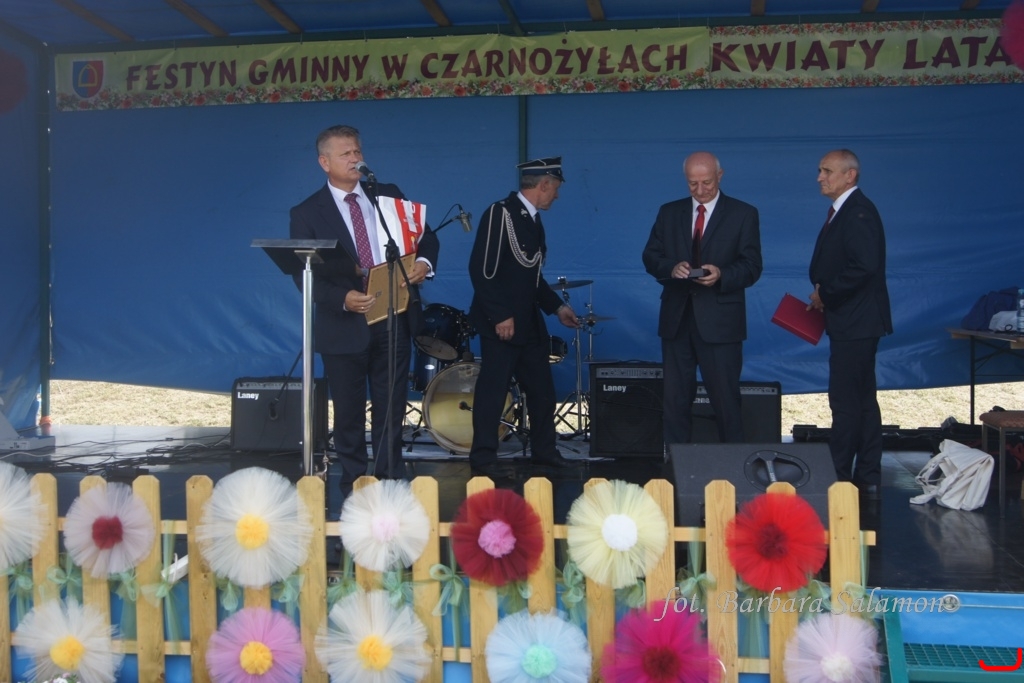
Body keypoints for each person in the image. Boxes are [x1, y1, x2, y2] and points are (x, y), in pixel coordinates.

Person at [289, 124, 440, 501]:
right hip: (344, 323)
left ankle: (389, 484)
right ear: (324, 162)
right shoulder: (307, 213)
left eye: (357, 151)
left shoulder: (387, 194)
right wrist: (342, 298)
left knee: (391, 408)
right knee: (349, 413)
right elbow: (303, 275)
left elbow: (427, 236)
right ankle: (354, 487)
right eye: (345, 153)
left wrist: (423, 262)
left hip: (393, 316)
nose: (355, 159)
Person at [467, 157, 580, 476]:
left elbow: (531, 276)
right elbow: (481, 269)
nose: (556, 195)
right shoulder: (500, 213)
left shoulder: (532, 220)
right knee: (493, 391)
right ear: (544, 184)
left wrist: (557, 307)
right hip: (501, 323)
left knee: (542, 390)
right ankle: (483, 458)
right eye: (555, 188)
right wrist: (500, 315)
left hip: (528, 320)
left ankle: (545, 451)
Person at [642, 151, 762, 445]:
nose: (699, 189)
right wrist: (671, 268)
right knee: (674, 401)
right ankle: (675, 464)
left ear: (720, 176)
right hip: (677, 320)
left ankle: (733, 463)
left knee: (726, 400)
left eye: (706, 182)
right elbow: (651, 256)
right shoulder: (669, 212)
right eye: (692, 183)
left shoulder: (743, 213)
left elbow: (752, 266)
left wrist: (722, 274)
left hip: (721, 322)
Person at [808, 149, 892, 497]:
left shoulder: (857, 212)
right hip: (854, 320)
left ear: (850, 175)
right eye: (820, 170)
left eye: (827, 171)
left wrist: (826, 294)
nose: (820, 177)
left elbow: (864, 266)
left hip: (856, 321)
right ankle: (868, 474)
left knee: (845, 401)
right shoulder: (847, 210)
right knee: (862, 400)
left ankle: (839, 475)